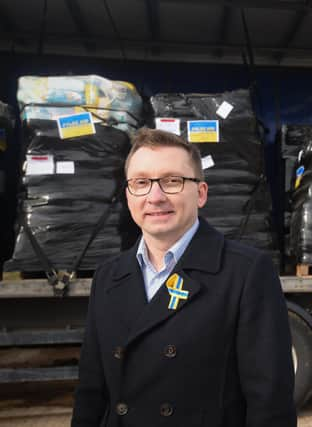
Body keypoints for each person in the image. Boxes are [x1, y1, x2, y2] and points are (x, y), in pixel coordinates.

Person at [72, 128, 296, 427]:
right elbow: (90, 391)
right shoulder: (108, 276)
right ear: (128, 195)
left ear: (201, 193)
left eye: (171, 181)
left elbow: (270, 402)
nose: (155, 196)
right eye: (141, 183)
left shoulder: (246, 272)